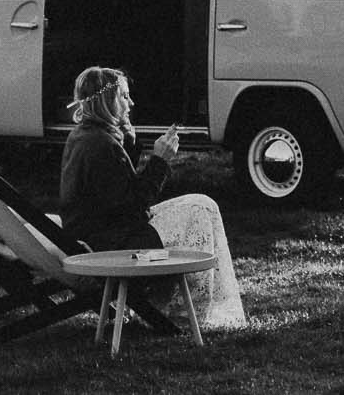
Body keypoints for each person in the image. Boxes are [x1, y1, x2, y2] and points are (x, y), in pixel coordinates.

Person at [60, 65, 247, 329]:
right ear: (107, 101)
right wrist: (160, 161)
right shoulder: (99, 145)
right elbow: (132, 206)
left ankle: (185, 307)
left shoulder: (86, 137)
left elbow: (114, 192)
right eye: (124, 96)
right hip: (109, 246)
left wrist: (130, 144)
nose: (131, 102)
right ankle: (189, 314)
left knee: (204, 205)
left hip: (102, 234)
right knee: (201, 210)